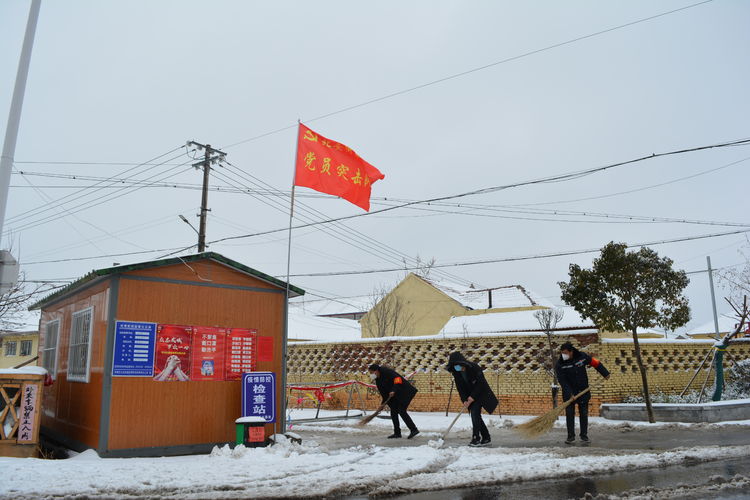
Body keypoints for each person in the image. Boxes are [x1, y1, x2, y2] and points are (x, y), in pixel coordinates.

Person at [555, 341, 610, 444]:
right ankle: (570, 437)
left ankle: (584, 436)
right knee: (570, 414)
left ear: (571, 352)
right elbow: (562, 381)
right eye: (562, 352)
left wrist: (605, 373)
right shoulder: (560, 364)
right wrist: (569, 393)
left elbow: (595, 363)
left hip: (583, 390)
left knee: (583, 413)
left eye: (566, 352)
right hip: (569, 392)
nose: (564, 355)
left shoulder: (582, 356)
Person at [446, 352, 498, 447]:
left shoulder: (474, 368)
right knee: (476, 416)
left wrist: (472, 397)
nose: (456, 367)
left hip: (481, 394)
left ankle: (476, 438)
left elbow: (480, 384)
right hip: (470, 397)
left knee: (474, 414)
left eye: (457, 365)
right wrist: (464, 399)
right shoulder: (456, 373)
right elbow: (460, 388)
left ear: (462, 363)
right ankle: (486, 437)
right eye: (454, 366)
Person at [368, 364, 419, 439]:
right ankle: (397, 433)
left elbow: (398, 379)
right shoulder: (378, 381)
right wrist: (382, 405)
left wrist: (393, 390)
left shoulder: (387, 372)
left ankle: (414, 429)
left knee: (401, 411)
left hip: (406, 392)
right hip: (396, 395)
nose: (371, 375)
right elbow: (384, 394)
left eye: (371, 372)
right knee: (393, 411)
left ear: (376, 371)